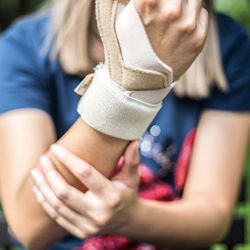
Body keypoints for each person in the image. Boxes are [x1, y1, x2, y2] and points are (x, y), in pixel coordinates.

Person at [0, 0, 249, 249]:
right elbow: (30, 228)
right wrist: (131, 83)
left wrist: (131, 217)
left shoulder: (228, 46)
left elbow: (213, 215)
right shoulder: (26, 45)